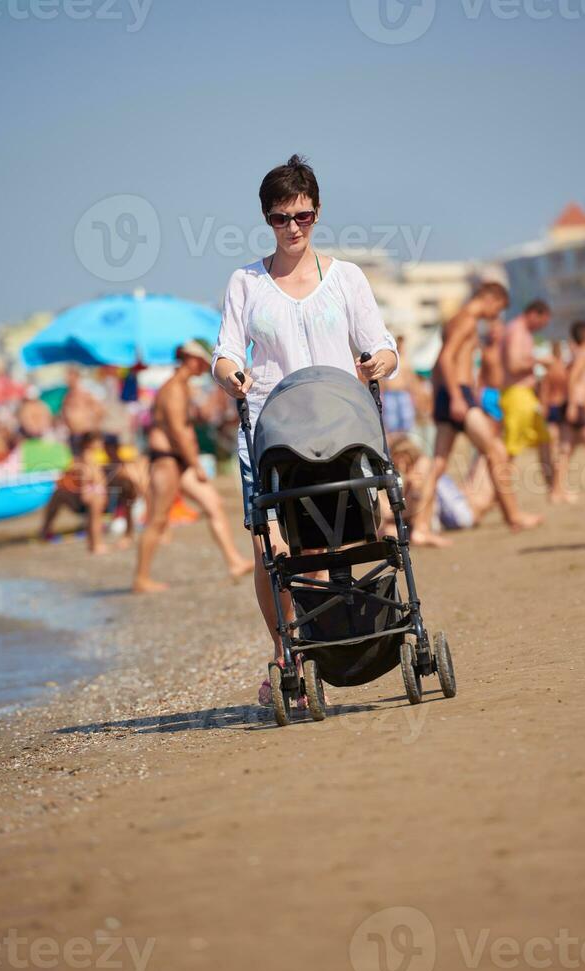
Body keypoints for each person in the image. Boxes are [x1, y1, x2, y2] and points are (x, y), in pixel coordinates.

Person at [211, 154, 398, 703]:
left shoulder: (347, 278)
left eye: (303, 216)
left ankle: (341, 636)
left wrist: (378, 364)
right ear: (266, 219)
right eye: (280, 218)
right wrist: (230, 373)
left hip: (341, 426)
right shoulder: (246, 282)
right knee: (271, 546)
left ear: (318, 214)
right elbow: (223, 351)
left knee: (341, 540)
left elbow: (383, 344)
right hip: (272, 433)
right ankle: (285, 654)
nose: (293, 228)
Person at [413, 283, 542, 547]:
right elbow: (448, 359)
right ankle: (514, 516)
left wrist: (441, 396)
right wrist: (458, 398)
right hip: (457, 395)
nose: (496, 316)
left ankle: (421, 527)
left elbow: (439, 362)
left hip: (450, 394)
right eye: (498, 309)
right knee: (496, 451)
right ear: (490, 298)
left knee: (438, 464)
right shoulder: (467, 321)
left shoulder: (457, 320)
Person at [133, 341, 253, 593]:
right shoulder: (174, 389)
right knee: (157, 519)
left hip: (179, 461)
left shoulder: (182, 388)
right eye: (201, 361)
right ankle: (141, 578)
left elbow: (190, 422)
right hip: (167, 461)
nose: (204, 366)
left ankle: (234, 561)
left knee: (213, 505)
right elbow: (177, 431)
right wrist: (196, 464)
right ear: (190, 360)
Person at [501, 299, 553, 487]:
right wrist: (539, 361)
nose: (541, 327)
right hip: (517, 394)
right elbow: (514, 365)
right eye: (542, 322)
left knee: (545, 439)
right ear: (534, 314)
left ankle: (553, 487)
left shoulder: (523, 332)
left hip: (525, 394)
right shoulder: (516, 330)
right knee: (510, 448)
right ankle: (500, 489)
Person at [551, 321, 585, 503]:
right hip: (578, 406)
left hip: (575, 404)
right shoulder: (582, 356)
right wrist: (573, 405)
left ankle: (557, 491)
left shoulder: (578, 356)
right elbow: (571, 379)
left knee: (566, 449)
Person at [40, 432, 108, 554]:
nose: (101, 444)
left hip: (93, 490)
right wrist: (87, 489)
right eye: (99, 441)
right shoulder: (88, 457)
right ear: (89, 443)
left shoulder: (86, 456)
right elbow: (87, 477)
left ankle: (93, 544)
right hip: (94, 491)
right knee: (95, 519)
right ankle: (96, 545)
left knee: (94, 519)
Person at [61, 367, 104, 455]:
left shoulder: (85, 394)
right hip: (74, 434)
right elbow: (64, 413)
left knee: (89, 459)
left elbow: (99, 410)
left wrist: (94, 426)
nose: (67, 379)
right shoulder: (67, 395)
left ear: (77, 377)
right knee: (77, 461)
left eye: (70, 376)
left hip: (87, 433)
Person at [382, 336, 418, 435]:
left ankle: (404, 443)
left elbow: (411, 379)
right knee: (391, 422)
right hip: (390, 394)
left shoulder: (405, 361)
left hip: (403, 393)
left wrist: (414, 394)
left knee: (406, 421)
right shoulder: (390, 360)